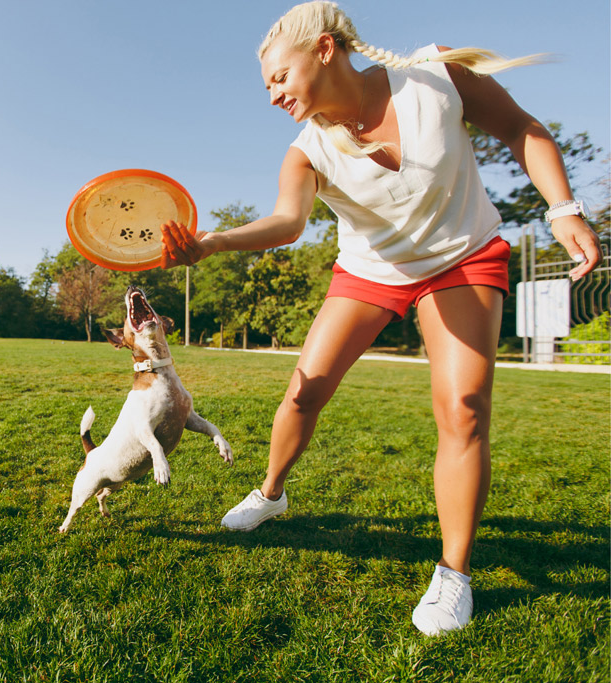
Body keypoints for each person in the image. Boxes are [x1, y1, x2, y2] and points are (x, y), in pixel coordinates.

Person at [159, 1, 602, 636]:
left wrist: (563, 208)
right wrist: (209, 244)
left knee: (465, 408)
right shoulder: (306, 150)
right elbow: (287, 224)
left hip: (462, 258)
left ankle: (454, 575)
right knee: (302, 395)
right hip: (369, 271)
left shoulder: (436, 77)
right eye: (267, 88)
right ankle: (271, 494)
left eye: (279, 77)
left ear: (325, 49)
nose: (273, 95)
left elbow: (521, 128)